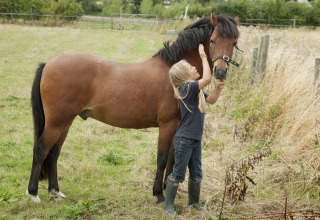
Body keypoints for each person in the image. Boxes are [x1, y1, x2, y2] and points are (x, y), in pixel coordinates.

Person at [163, 44, 226, 215]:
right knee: (179, 173)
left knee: (197, 172)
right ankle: (168, 204)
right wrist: (205, 58)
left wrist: (218, 89)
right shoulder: (186, 88)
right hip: (184, 139)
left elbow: (211, 100)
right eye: (191, 67)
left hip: (195, 139)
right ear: (184, 75)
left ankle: (194, 202)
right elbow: (206, 79)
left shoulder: (196, 93)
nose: (195, 68)